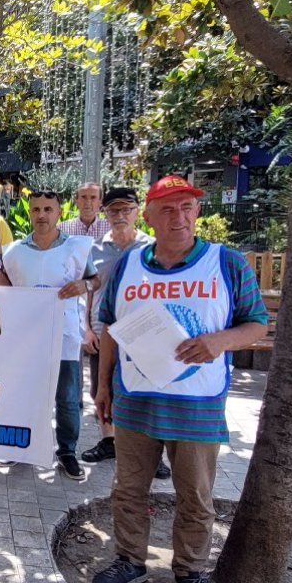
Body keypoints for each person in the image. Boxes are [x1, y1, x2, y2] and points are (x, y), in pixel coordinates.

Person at [89, 175, 268, 583]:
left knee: (196, 496)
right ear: (149, 216)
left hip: (197, 404)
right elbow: (109, 327)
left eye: (187, 207)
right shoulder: (129, 266)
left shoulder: (226, 263)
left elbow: (257, 323)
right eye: (167, 209)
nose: (179, 217)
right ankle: (130, 560)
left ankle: (190, 571)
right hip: (135, 400)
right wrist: (103, 385)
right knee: (128, 489)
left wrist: (220, 340)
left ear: (198, 211)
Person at [0, 190, 99, 479]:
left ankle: (67, 452)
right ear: (30, 213)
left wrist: (84, 286)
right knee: (23, 393)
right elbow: (7, 284)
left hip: (65, 336)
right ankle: (18, 446)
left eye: (48, 209)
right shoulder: (14, 251)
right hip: (26, 337)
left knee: (67, 398)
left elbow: (95, 279)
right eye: (36, 209)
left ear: (59, 213)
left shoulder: (76, 248)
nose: (41, 215)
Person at [77, 188, 170, 480]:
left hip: (144, 335)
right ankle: (109, 441)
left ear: (137, 212)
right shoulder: (94, 249)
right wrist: (86, 329)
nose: (120, 215)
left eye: (126, 209)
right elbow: (87, 291)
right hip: (103, 331)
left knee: (147, 394)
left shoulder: (154, 247)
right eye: (114, 210)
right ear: (105, 213)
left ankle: (154, 455)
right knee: (101, 388)